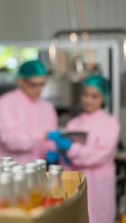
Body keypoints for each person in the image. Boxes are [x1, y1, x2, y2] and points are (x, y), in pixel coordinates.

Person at [47, 75, 120, 223]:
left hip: (98, 184)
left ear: (103, 98)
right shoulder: (74, 123)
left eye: (95, 96)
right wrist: (59, 155)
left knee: (97, 217)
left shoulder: (110, 123)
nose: (88, 100)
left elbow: (100, 155)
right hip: (74, 182)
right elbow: (67, 158)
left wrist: (71, 149)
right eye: (86, 94)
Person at [0, 59, 58, 165]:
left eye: (42, 84)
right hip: (9, 171)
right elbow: (10, 141)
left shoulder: (47, 107)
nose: (39, 89)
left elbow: (51, 140)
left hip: (38, 171)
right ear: (21, 81)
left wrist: (53, 150)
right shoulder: (5, 103)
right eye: (34, 85)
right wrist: (42, 136)